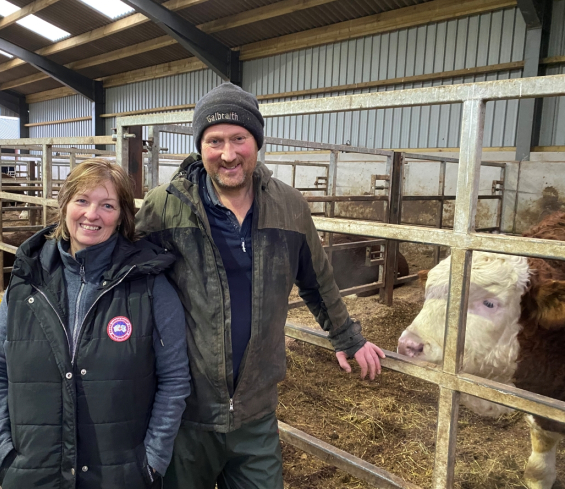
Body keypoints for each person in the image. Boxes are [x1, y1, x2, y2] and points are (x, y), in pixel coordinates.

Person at [135, 82, 386, 488]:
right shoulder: (164, 206)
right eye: (214, 141)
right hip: (185, 414)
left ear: (257, 141)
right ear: (200, 146)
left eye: (239, 138)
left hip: (255, 413)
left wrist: (347, 336)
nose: (228, 154)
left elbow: (316, 278)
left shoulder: (290, 207)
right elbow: (131, 286)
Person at [0, 158, 190, 488]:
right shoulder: (27, 282)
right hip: (35, 475)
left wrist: (151, 461)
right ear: (65, 206)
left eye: (107, 205)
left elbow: (174, 379)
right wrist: (0, 454)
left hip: (120, 477)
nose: (92, 215)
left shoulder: (149, 286)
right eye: (82, 201)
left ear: (121, 217)